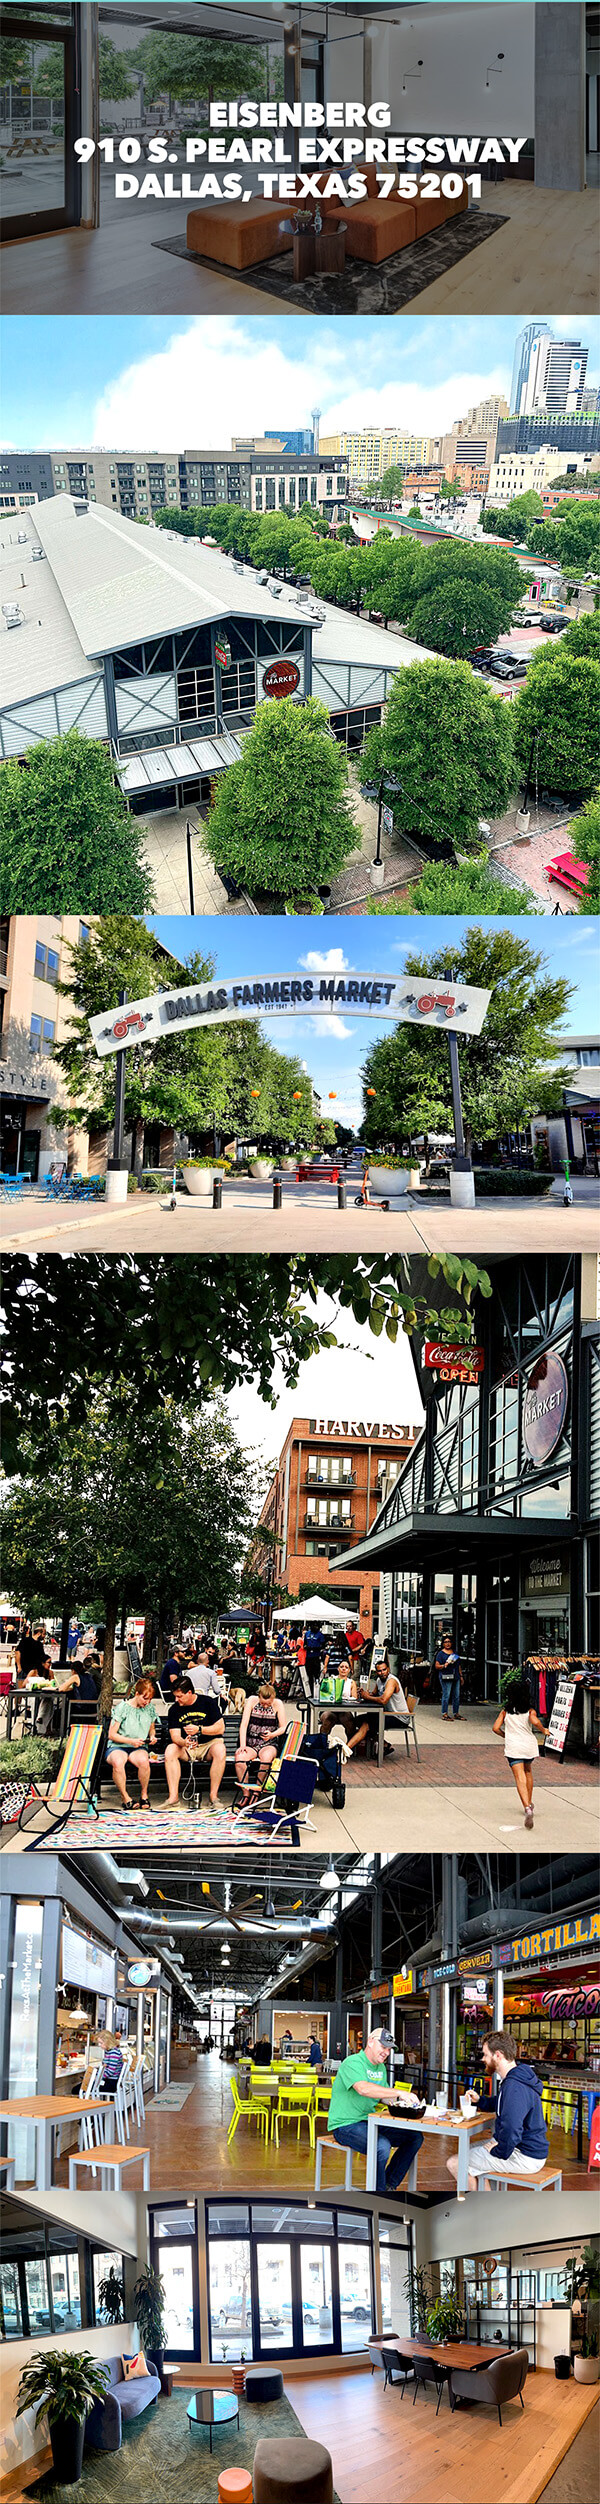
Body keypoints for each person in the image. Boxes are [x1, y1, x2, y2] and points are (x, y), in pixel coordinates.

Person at [446, 2030, 548, 2193]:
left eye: (486, 2055)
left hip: (524, 2155)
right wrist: (481, 2101)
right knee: (466, 2151)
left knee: (455, 2162)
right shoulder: (516, 2078)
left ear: (498, 2055)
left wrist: (498, 2150)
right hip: (525, 2149)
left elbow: (512, 2129)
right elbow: (504, 2105)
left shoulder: (514, 2087)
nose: (483, 2059)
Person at [327, 2026, 424, 2195]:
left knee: (415, 2137)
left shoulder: (380, 2068)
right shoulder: (352, 2062)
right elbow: (363, 2089)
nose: (386, 2052)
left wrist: (406, 2101)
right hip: (345, 2125)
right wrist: (399, 2092)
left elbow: (384, 2097)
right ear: (370, 2042)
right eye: (383, 2047)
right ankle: (379, 2195)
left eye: (388, 2049)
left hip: (371, 2122)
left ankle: (388, 2185)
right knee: (382, 2146)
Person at [165, 1676, 226, 1811]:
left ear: (189, 1693)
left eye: (180, 1696)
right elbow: (175, 1736)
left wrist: (200, 1729)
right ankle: (173, 1798)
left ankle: (213, 1797)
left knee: (220, 1750)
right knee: (170, 1750)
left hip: (209, 1745)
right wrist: (184, 1742)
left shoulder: (208, 1702)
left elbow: (220, 1728)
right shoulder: (174, 1709)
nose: (177, 1700)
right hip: (187, 1747)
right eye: (175, 1696)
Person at [493, 1679, 547, 1829]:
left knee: (519, 1777)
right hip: (529, 1746)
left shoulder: (505, 1711)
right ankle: (529, 1802)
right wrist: (544, 1730)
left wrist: (505, 1735)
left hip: (514, 1747)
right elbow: (535, 1722)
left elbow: (495, 1728)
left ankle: (527, 1807)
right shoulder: (530, 1710)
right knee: (528, 1771)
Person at [106, 1677, 160, 1810]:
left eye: (149, 1700)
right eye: (144, 1698)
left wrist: (152, 1736)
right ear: (137, 1694)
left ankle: (144, 1795)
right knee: (118, 1762)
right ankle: (125, 1797)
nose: (147, 1702)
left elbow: (151, 1728)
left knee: (144, 1762)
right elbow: (112, 1735)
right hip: (119, 1745)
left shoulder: (149, 1708)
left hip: (138, 1746)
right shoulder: (123, 1708)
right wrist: (131, 1741)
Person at [235, 1682, 287, 1789]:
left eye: (268, 1704)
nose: (265, 1706)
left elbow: (283, 1727)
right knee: (240, 1758)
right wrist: (243, 1745)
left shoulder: (278, 1704)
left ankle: (257, 1790)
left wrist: (272, 1735)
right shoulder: (252, 1701)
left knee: (266, 1758)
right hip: (251, 1742)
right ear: (259, 1697)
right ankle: (246, 1793)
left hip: (269, 1743)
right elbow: (244, 1725)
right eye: (263, 1703)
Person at [435, 1633, 463, 1722]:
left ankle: (456, 1713)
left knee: (456, 1695)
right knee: (446, 1695)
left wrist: (461, 1676)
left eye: (449, 1642)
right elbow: (437, 1666)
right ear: (443, 1643)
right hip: (445, 1676)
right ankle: (444, 1713)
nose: (447, 1643)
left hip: (456, 1676)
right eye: (446, 1642)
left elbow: (459, 1666)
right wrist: (444, 1665)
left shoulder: (454, 1653)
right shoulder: (440, 1654)